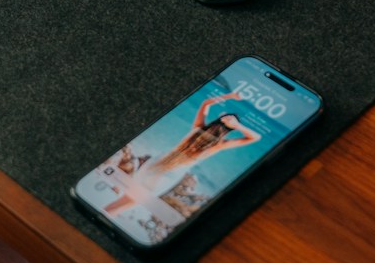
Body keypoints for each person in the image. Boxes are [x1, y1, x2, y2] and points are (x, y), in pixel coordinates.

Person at [102, 89, 261, 217]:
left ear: (219, 119)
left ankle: (106, 212)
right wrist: (237, 126)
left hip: (159, 162)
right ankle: (108, 214)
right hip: (170, 173)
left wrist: (229, 96)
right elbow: (254, 137)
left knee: (127, 197)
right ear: (228, 129)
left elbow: (206, 103)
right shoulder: (218, 145)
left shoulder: (197, 129)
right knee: (131, 201)